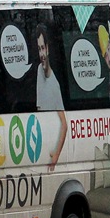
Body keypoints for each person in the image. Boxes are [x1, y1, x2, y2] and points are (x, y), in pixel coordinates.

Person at [35, 24, 67, 170]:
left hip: (49, 152)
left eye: (42, 48)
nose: (41, 54)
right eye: (38, 49)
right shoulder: (38, 72)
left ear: (47, 49)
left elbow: (64, 125)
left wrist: (55, 157)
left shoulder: (54, 85)